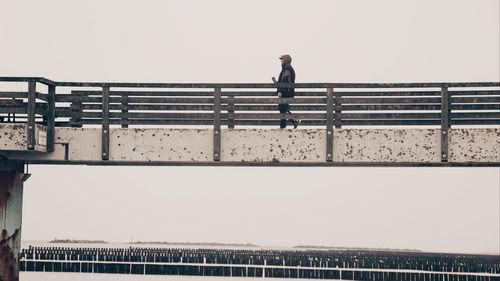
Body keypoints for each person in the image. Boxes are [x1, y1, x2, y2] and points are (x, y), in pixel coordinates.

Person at [276, 54, 299, 129]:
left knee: (283, 109)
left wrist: (281, 91)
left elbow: (285, 80)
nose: (281, 61)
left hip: (285, 92)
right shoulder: (287, 68)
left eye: (282, 59)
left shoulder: (287, 68)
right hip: (287, 92)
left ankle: (284, 126)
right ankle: (293, 120)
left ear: (286, 60)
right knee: (283, 109)